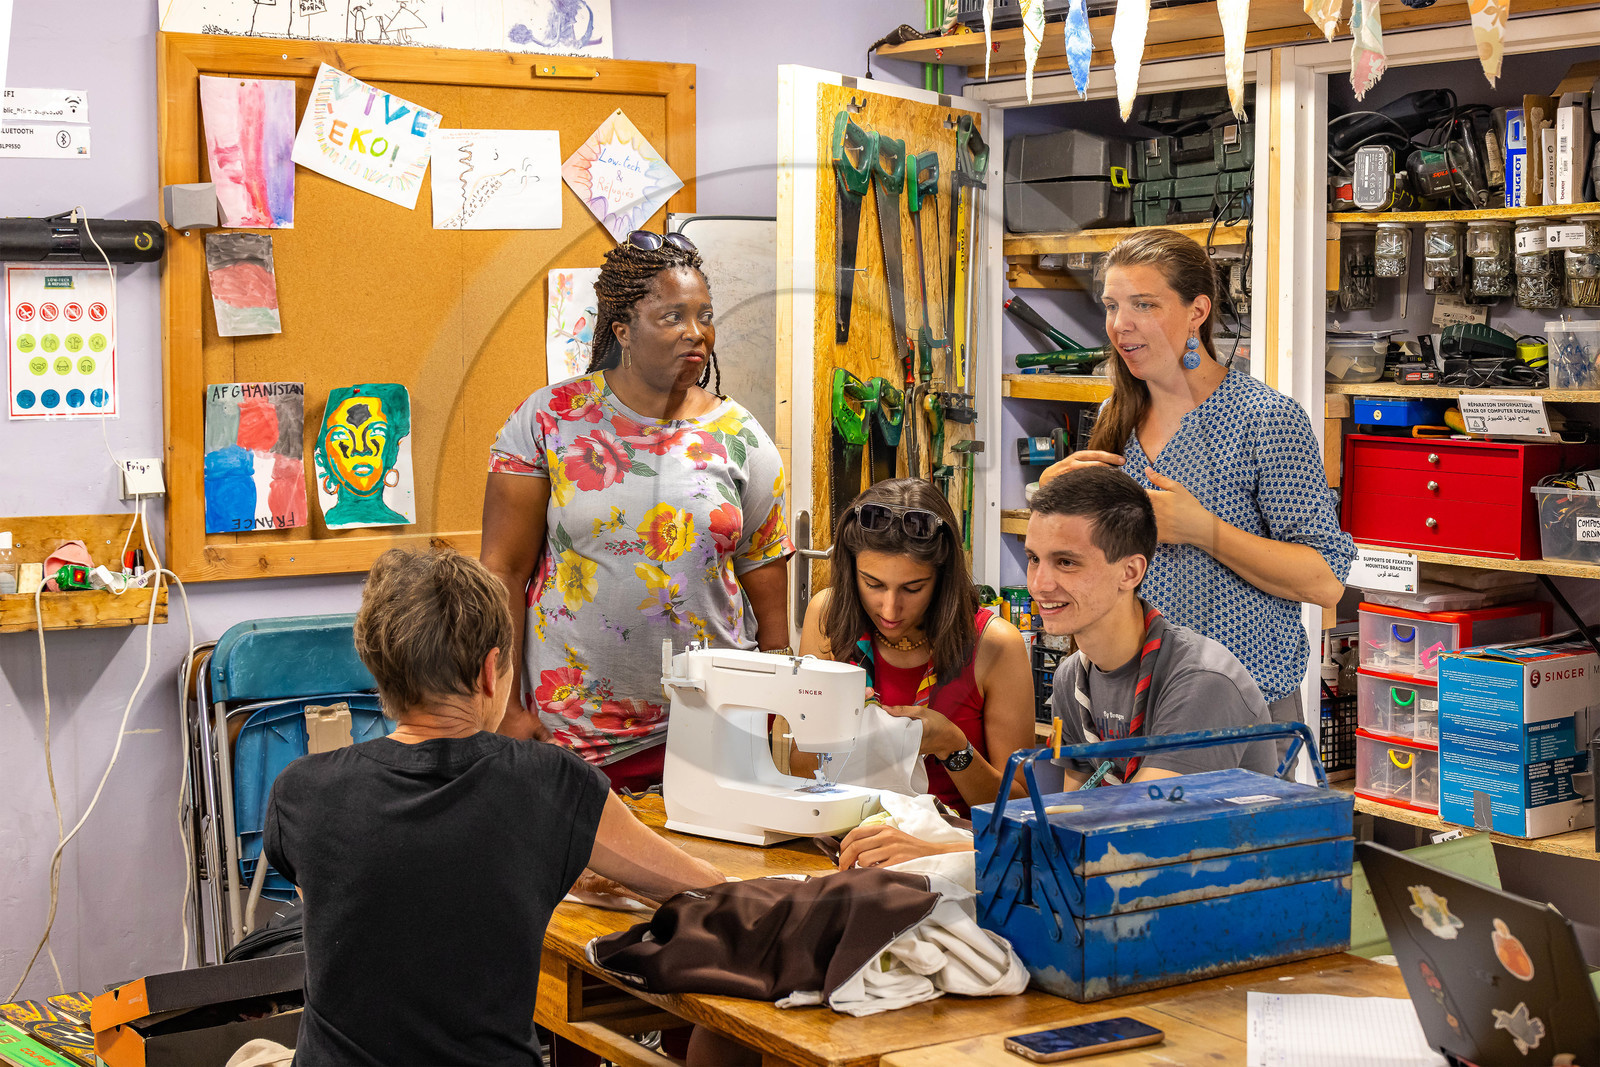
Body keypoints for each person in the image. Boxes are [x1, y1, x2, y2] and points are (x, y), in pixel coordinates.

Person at [263, 548, 724, 1065]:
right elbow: (701, 889)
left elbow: (362, 906)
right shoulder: (553, 784)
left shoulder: (300, 793)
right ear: (490, 672)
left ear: (379, 670)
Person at [481, 230, 794, 793]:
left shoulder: (742, 437)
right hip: (575, 731)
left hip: (718, 721)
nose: (696, 333)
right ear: (622, 329)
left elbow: (764, 569)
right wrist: (504, 704)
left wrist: (780, 701)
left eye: (704, 316)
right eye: (673, 316)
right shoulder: (551, 420)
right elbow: (502, 568)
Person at [1041, 228, 1354, 743]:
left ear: (1197, 312)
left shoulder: (1265, 419)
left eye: (1144, 304)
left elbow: (1323, 582)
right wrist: (1056, 506)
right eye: (1112, 306)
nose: (1121, 324)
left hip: (1239, 703)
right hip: (1128, 700)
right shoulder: (1115, 415)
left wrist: (1202, 530)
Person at [797, 480, 1034, 868]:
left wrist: (953, 747)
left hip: (950, 855)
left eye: (913, 588)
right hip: (844, 845)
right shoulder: (828, 616)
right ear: (850, 569)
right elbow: (802, 771)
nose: (890, 609)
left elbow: (1021, 816)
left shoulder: (995, 645)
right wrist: (829, 725)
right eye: (873, 584)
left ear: (942, 578)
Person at [1030, 466, 1278, 786]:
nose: (1039, 585)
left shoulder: (1203, 680)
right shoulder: (1070, 678)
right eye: (1033, 559)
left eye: (1066, 562)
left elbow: (1147, 812)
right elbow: (1076, 806)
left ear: (1130, 572)